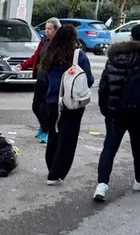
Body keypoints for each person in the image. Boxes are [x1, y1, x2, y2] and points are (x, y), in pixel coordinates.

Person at [94, 22, 140, 202]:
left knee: (109, 147)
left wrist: (106, 109)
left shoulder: (114, 59)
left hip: (115, 112)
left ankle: (102, 185)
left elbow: (103, 87)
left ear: (130, 37)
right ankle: (139, 179)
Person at [40, 24, 94, 185]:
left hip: (51, 101)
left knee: (54, 135)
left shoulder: (49, 54)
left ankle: (51, 167)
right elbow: (88, 80)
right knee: (68, 139)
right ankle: (56, 174)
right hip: (72, 103)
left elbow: (45, 78)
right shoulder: (79, 56)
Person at [19, 17, 60, 145]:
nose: (47, 31)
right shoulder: (44, 41)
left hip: (52, 80)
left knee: (46, 107)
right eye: (46, 29)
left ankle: (46, 131)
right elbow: (35, 56)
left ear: (56, 29)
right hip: (41, 78)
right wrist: (23, 65)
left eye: (50, 29)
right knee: (35, 106)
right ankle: (44, 126)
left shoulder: (59, 44)